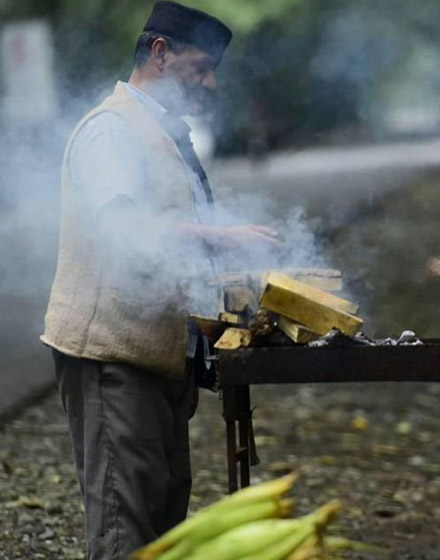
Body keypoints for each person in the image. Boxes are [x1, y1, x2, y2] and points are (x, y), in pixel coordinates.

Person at [41, 2, 280, 558]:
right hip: (113, 358)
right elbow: (123, 227)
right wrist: (223, 238)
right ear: (160, 53)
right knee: (127, 526)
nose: (210, 82)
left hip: (160, 356)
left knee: (164, 517)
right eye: (201, 67)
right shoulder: (110, 130)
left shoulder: (164, 132)